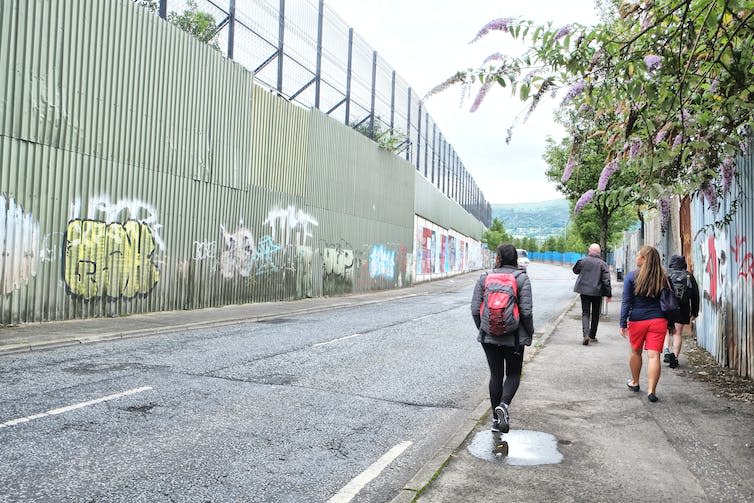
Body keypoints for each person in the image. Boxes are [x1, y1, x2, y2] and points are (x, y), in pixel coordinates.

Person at [471, 244, 534, 433]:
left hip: (489, 337)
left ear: (498, 258)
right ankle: (504, 406)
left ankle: (495, 421)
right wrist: (528, 333)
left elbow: (475, 309)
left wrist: (484, 328)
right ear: (515, 258)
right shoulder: (521, 278)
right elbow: (526, 311)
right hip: (514, 337)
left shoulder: (485, 278)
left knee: (495, 375)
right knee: (513, 374)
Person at [620, 245, 672, 403]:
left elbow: (626, 302)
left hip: (637, 320)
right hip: (658, 320)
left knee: (636, 352)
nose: (636, 258)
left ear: (643, 259)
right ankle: (651, 391)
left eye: (638, 255)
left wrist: (623, 322)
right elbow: (668, 300)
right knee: (654, 355)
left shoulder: (631, 277)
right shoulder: (663, 277)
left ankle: (635, 383)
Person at [662, 254, 700, 368]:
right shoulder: (689, 276)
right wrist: (695, 312)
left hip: (667, 307)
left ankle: (666, 350)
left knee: (666, 331)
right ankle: (675, 357)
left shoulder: (666, 274)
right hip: (682, 309)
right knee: (677, 333)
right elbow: (695, 296)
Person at [572, 243, 612, 345]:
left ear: (589, 251)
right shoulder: (603, 264)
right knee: (595, 314)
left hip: (584, 291)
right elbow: (606, 280)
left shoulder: (582, 261)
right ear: (599, 253)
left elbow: (575, 270)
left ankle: (585, 335)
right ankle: (592, 336)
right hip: (597, 292)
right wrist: (608, 294)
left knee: (585, 313)